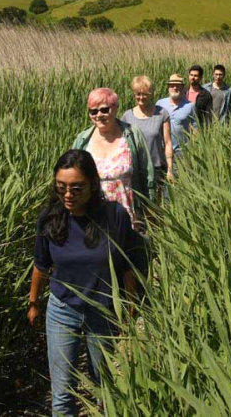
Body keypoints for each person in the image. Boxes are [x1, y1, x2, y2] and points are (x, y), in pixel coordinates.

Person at [28, 150, 146, 417]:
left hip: (102, 311)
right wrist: (33, 303)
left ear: (93, 184)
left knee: (102, 388)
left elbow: (126, 263)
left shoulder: (114, 216)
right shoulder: (50, 217)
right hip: (62, 310)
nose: (68, 195)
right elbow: (41, 265)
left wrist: (130, 305)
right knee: (62, 394)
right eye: (61, 188)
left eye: (76, 188)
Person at [72, 88, 155, 227]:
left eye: (104, 110)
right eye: (93, 111)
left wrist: (150, 210)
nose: (99, 115)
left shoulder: (132, 135)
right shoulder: (82, 140)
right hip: (93, 219)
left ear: (116, 108)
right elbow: (73, 177)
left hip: (129, 219)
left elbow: (148, 173)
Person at [121, 76, 175, 193]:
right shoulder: (127, 116)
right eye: (138, 94)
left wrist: (170, 169)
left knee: (155, 206)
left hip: (156, 168)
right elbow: (121, 144)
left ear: (151, 94)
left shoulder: (162, 114)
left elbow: (168, 142)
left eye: (145, 94)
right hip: (134, 168)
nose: (141, 97)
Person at [155, 74, 196, 159]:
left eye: (178, 85)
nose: (175, 88)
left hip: (181, 152)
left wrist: (191, 148)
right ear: (168, 87)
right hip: (161, 150)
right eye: (172, 85)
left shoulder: (190, 106)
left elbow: (195, 129)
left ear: (183, 87)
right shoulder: (160, 104)